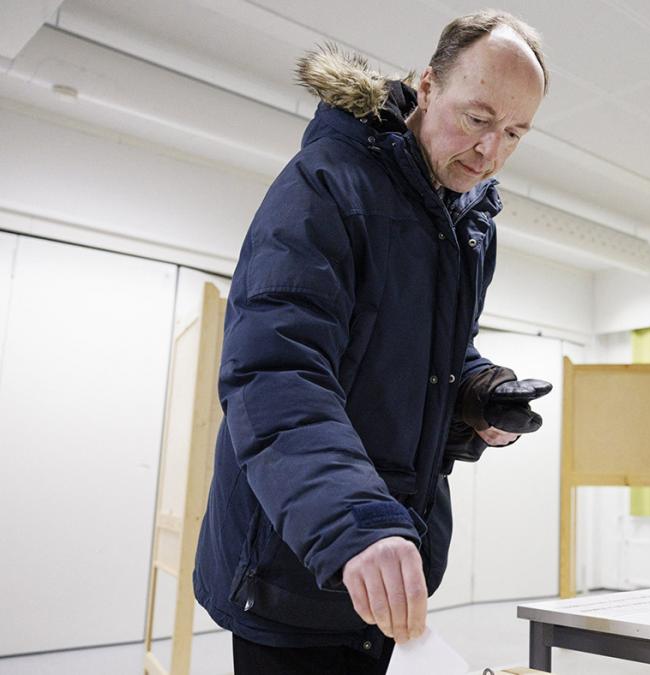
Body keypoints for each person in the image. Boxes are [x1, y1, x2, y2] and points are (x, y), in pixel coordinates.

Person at [193, 11, 551, 674]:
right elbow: (277, 370)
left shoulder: (470, 225)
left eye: (515, 133)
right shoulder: (325, 184)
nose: (490, 151)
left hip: (389, 559)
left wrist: (479, 394)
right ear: (428, 85)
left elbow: (435, 356)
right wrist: (356, 522)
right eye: (477, 117)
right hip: (300, 556)